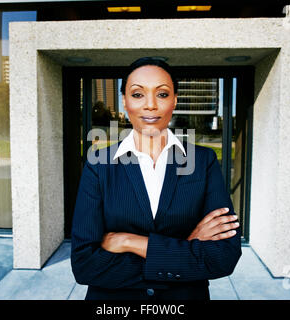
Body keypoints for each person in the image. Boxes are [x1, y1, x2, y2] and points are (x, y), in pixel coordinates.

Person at [71, 57, 242, 300]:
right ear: (124, 101)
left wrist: (128, 241)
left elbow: (224, 257)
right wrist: (186, 245)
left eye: (162, 94)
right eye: (138, 94)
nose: (150, 105)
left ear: (174, 100)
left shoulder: (203, 161)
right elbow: (84, 265)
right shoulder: (99, 165)